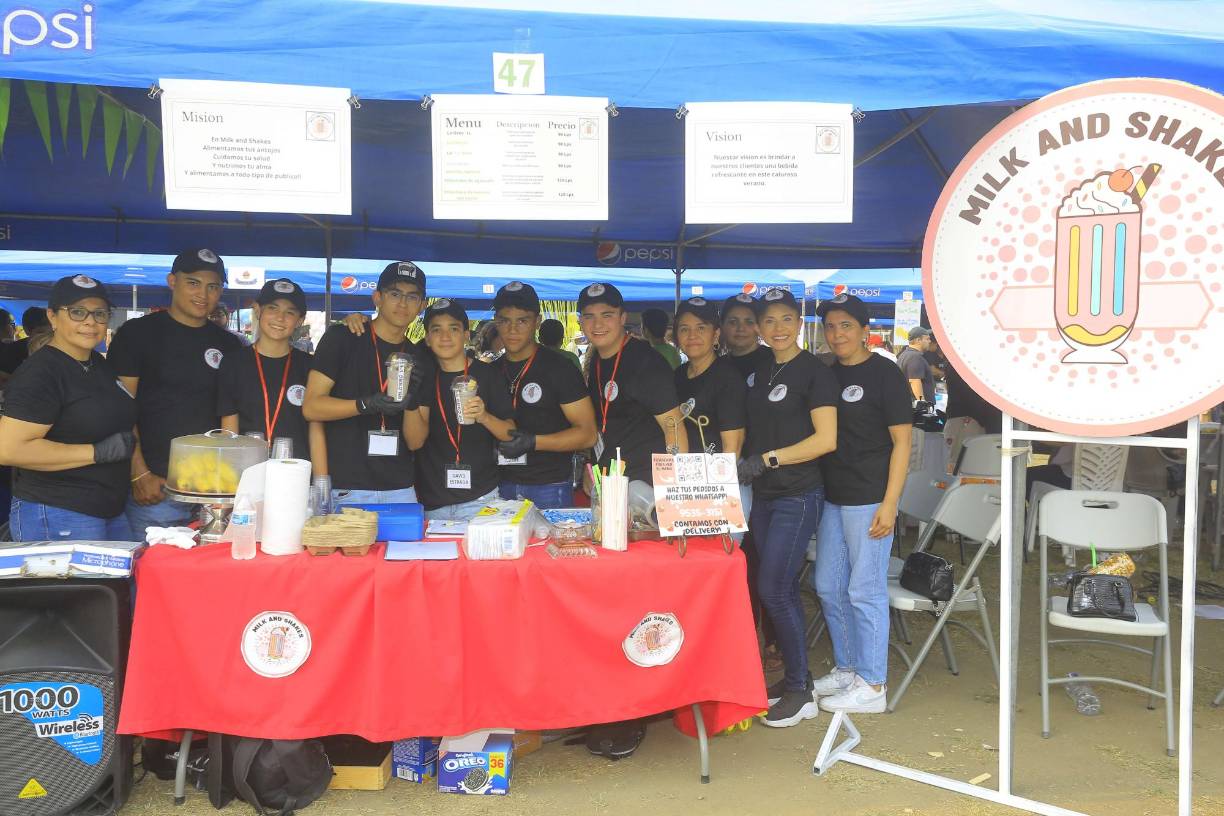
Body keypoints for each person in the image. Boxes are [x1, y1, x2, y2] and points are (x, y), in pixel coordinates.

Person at [737, 287, 838, 728]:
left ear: (799, 322)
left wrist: (769, 459)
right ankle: (798, 680)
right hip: (764, 496)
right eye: (768, 320)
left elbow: (826, 440)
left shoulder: (814, 372)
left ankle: (800, 690)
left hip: (798, 495)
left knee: (774, 589)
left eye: (785, 319)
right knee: (778, 589)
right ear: (759, 327)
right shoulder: (762, 371)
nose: (777, 328)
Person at [811, 294, 913, 714]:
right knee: (827, 585)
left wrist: (890, 503)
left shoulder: (886, 373)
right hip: (833, 497)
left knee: (864, 590)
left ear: (865, 330)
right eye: (831, 327)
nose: (837, 334)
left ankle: (873, 684)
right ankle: (849, 667)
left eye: (846, 326)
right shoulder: (825, 373)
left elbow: (903, 443)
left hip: (870, 497)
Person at [108, 249, 244, 533]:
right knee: (154, 562)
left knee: (210, 562)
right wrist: (138, 473)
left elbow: (230, 413)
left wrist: (228, 484)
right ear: (172, 281)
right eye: (193, 283)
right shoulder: (137, 334)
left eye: (213, 286)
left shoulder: (229, 345)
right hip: (157, 488)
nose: (203, 294)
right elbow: (120, 409)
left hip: (212, 491)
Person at [0, 276, 137, 540]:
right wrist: (96, 452)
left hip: (108, 508)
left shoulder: (98, 364)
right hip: (58, 510)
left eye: (99, 313)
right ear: (52, 316)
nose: (90, 321)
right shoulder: (42, 373)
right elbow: (9, 449)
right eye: (77, 312)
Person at [304, 261, 429, 507]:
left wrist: (412, 403)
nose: (403, 304)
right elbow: (311, 407)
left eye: (412, 297)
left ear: (422, 306)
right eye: (395, 294)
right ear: (377, 297)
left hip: (400, 489)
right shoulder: (343, 338)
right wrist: (364, 405)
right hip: (346, 488)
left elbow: (415, 442)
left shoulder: (419, 357)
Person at [492, 282, 596, 509]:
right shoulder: (490, 371)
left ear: (537, 322)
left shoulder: (559, 368)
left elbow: (588, 434)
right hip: (498, 485)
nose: (512, 329)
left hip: (548, 485)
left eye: (522, 320)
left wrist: (534, 442)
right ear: (495, 322)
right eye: (505, 321)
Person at [414, 298, 515, 519]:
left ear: (466, 335)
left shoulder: (488, 375)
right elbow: (414, 442)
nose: (445, 337)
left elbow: (510, 434)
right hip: (433, 503)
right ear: (428, 339)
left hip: (481, 499)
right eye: (436, 330)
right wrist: (411, 399)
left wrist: (484, 416)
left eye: (453, 329)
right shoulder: (423, 378)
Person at [580, 283, 687, 484]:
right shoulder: (596, 360)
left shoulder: (647, 362)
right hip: (610, 481)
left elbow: (674, 427)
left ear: (623, 318)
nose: (597, 325)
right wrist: (592, 467)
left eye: (607, 315)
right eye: (589, 316)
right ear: (581, 321)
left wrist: (674, 490)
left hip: (646, 485)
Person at [218, 279, 324, 470]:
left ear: (300, 320)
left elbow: (316, 430)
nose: (280, 318)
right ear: (258, 311)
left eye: (290, 312)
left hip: (297, 474)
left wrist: (321, 480)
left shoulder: (311, 366)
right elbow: (229, 431)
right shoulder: (233, 363)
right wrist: (230, 479)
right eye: (272, 308)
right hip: (247, 473)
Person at [720, 293, 773, 381]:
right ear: (722, 326)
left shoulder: (775, 360)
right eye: (733, 322)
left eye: (749, 322)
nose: (741, 328)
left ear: (759, 327)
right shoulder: (717, 366)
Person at [897, 326, 935, 403]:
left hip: (908, 403)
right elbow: (914, 381)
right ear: (918, 340)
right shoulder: (915, 357)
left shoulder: (906, 354)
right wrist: (922, 402)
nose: (930, 341)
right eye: (927, 339)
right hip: (915, 406)